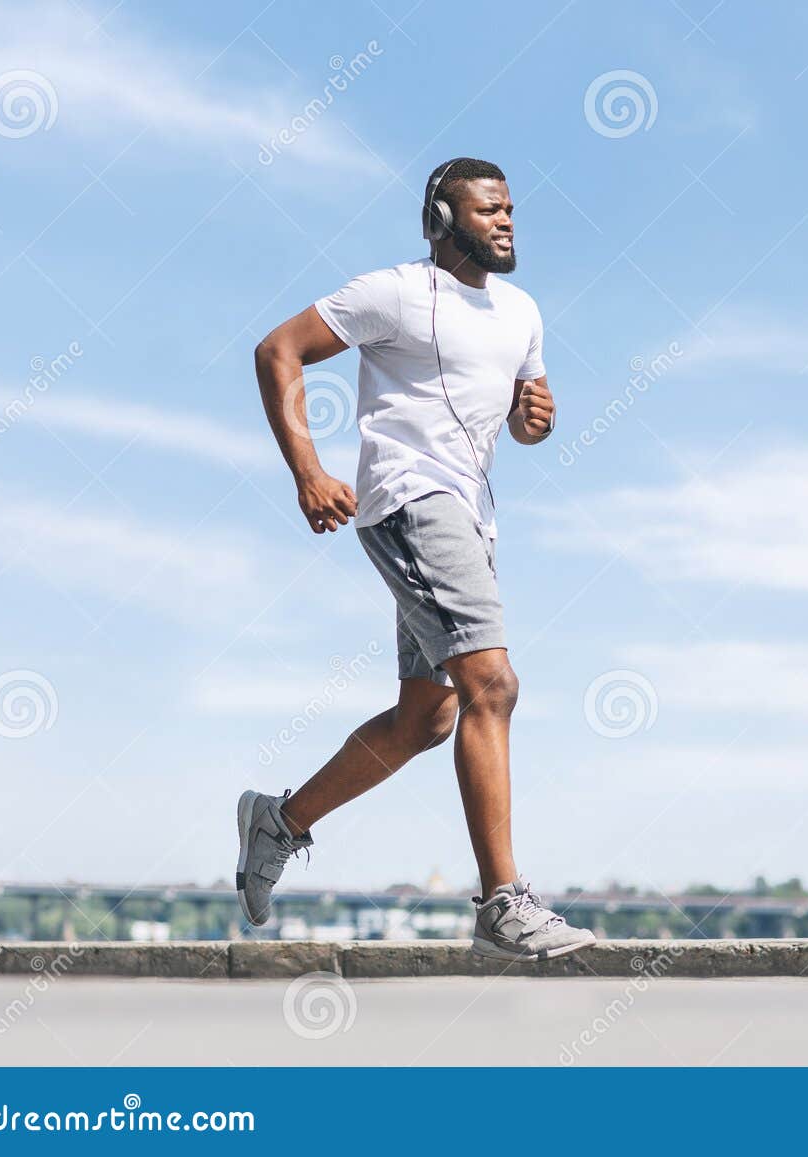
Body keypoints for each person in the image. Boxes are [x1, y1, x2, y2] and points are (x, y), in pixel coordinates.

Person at [237, 157, 594, 961]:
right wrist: (309, 470)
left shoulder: (522, 314)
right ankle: (503, 902)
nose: (506, 222)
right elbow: (277, 350)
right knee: (491, 684)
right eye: (488, 210)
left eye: (510, 210)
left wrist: (534, 417)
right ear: (441, 219)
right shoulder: (394, 293)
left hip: (471, 517)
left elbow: (520, 420)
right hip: (408, 500)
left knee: (427, 718)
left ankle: (279, 821)